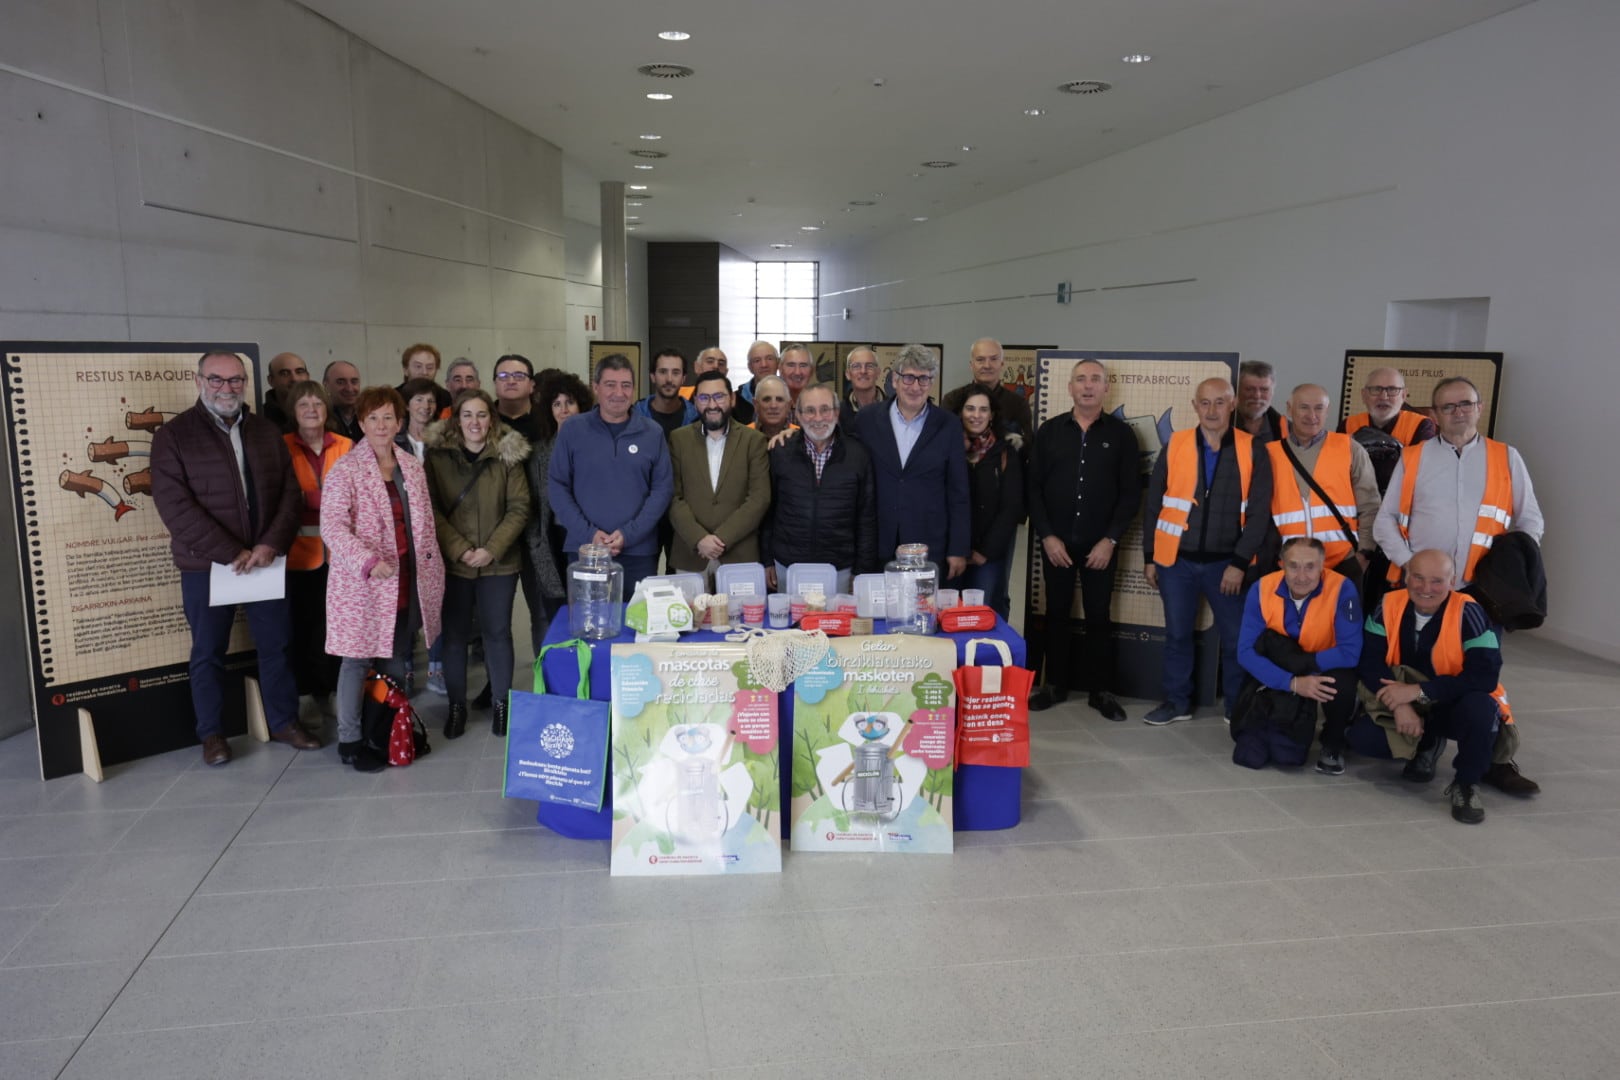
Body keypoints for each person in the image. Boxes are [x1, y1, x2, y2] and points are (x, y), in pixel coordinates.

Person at [150, 350, 321, 766]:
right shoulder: (173, 435)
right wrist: (231, 552)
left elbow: (288, 494)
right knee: (208, 651)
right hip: (206, 565)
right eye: (217, 380)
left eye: (235, 380)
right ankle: (212, 734)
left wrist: (268, 545)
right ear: (199, 382)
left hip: (265, 560)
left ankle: (283, 721)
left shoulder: (265, 431)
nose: (226, 388)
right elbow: (175, 506)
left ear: (245, 383)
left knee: (276, 646)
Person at [319, 386, 444, 772]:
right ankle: (350, 738)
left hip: (406, 577)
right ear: (360, 423)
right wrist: (368, 560)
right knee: (356, 662)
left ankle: (384, 729)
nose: (381, 424)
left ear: (399, 422)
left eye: (388, 417)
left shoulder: (410, 465)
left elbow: (423, 523)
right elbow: (333, 528)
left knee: (393, 659)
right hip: (363, 582)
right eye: (372, 418)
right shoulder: (346, 469)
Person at [1353, 549, 1522, 823]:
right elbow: (1369, 662)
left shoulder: (1471, 612)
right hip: (1406, 701)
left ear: (1452, 581)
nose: (1426, 588)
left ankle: (1466, 784)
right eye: (1418, 578)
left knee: (1480, 708)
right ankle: (1425, 745)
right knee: (1363, 739)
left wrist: (1419, 692)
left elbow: (1485, 677)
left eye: (1436, 581)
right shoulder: (1388, 604)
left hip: (1451, 702)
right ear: (1405, 576)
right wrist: (1401, 704)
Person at [1141, 377, 1273, 725]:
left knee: (1235, 640)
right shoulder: (1176, 444)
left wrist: (1240, 563)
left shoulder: (1253, 448)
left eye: (1220, 402)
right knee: (1177, 635)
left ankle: (1235, 706)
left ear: (1233, 405)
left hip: (1227, 565)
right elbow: (1154, 504)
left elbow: (1260, 513)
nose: (1212, 410)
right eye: (1205, 402)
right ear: (1195, 405)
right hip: (1175, 562)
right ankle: (1176, 702)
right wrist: (1150, 556)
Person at [1026, 359, 1141, 719]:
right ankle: (1055, 684)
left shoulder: (1122, 436)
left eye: (1095, 380)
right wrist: (1047, 536)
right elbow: (1033, 488)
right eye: (1081, 379)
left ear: (1107, 388)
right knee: (1056, 613)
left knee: (1098, 617)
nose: (1088, 386)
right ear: (1070, 387)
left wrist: (1110, 539)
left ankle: (1100, 691)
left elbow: (1130, 494)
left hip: (1100, 546)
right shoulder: (1049, 431)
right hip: (1056, 542)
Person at [425, 389, 531, 739]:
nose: (475, 422)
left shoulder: (508, 456)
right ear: (456, 420)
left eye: (482, 415)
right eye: (467, 415)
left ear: (492, 419)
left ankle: (502, 703)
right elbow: (432, 509)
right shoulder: (437, 457)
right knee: (454, 636)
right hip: (454, 563)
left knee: (497, 633)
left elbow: (519, 508)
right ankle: (457, 705)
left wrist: (491, 549)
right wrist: (460, 549)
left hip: (499, 563)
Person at [1375, 376, 1544, 591]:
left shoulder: (1507, 457)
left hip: (1485, 585)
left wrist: (1514, 562)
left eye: (1466, 404)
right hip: (1423, 583)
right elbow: (1385, 520)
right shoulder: (1413, 457)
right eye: (1448, 407)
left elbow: (1530, 519)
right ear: (1434, 416)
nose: (1458, 412)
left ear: (1479, 408)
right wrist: (1408, 563)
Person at [1235, 538, 1362, 774]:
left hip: (1324, 662)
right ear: (1281, 564)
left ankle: (1332, 744)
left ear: (1323, 565)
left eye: (1310, 566)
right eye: (1293, 566)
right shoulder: (1261, 588)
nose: (1301, 575)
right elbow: (1245, 652)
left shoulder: (1344, 589)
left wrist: (1308, 667)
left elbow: (1351, 652)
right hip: (1281, 661)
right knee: (1254, 672)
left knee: (1341, 684)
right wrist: (1291, 682)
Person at [549, 354, 674, 590]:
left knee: (635, 622)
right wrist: (589, 535)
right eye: (610, 384)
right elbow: (557, 487)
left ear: (634, 389)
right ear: (595, 387)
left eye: (626, 385)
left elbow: (662, 489)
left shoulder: (652, 433)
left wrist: (629, 534)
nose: (619, 393)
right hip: (584, 551)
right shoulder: (573, 430)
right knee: (589, 623)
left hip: (638, 552)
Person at [850, 343, 970, 583]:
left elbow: (959, 492)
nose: (915, 386)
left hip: (928, 543)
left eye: (923, 379)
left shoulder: (948, 425)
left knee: (923, 616)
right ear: (894, 379)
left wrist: (958, 548)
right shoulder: (867, 419)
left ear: (932, 382)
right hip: (877, 541)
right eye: (908, 378)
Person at [1263, 383, 1381, 592]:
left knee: (1343, 624)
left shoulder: (1350, 448)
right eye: (1304, 407)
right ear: (1289, 409)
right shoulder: (1269, 454)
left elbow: (1371, 505)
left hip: (1344, 563)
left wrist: (1363, 555)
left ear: (1327, 411)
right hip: (1290, 567)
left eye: (1319, 408)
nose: (1312, 415)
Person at [762, 383, 879, 589]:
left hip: (840, 569)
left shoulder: (858, 455)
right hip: (787, 566)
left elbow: (866, 518)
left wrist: (862, 571)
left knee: (835, 622)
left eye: (825, 409)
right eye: (809, 411)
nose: (818, 418)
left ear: (836, 412)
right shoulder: (780, 452)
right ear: (797, 415)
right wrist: (767, 560)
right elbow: (767, 512)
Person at [283, 382, 352, 714]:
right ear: (293, 411)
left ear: (327, 409)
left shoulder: (347, 446)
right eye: (303, 404)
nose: (311, 409)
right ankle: (306, 693)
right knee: (303, 627)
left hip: (341, 558)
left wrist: (309, 500)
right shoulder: (280, 447)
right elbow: (280, 501)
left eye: (317, 404)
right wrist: (318, 501)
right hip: (298, 558)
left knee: (338, 626)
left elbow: (357, 497)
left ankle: (339, 689)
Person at [667, 370, 771, 574]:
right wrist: (699, 539)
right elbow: (672, 497)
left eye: (719, 396)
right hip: (691, 553)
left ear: (732, 399)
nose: (712, 405)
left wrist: (721, 539)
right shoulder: (679, 440)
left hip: (739, 553)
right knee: (691, 607)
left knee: (740, 608)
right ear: (696, 401)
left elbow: (759, 498)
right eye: (704, 398)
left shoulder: (754, 440)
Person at [524, 370, 592, 632]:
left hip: (588, 538)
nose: (564, 410)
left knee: (589, 608)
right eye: (557, 404)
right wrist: (536, 543)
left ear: (582, 406)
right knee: (556, 615)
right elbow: (533, 506)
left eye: (570, 402)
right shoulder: (539, 452)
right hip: (552, 539)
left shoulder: (595, 447)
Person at [947, 388, 1024, 619]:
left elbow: (1011, 507)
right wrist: (955, 548)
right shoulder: (946, 450)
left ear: (992, 415)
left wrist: (985, 551)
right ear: (960, 413)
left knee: (983, 616)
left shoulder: (1006, 452)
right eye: (970, 408)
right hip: (951, 552)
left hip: (987, 555)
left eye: (983, 409)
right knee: (949, 617)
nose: (976, 415)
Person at [1337, 366, 1437, 492]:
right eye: (1376, 389)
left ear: (1404, 395)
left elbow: (1424, 471)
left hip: (1402, 502)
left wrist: (1396, 450)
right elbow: (1337, 471)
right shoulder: (1348, 425)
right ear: (1364, 395)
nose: (1383, 396)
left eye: (1392, 390)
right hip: (1358, 500)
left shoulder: (1421, 425)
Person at [943, 337, 1034, 440]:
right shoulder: (952, 400)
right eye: (980, 360)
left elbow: (1026, 447)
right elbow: (943, 441)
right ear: (971, 365)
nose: (987, 365)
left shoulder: (1018, 404)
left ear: (1002, 364)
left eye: (993, 359)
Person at [635, 347, 698, 435]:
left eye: (675, 373)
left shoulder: (697, 418)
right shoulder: (634, 416)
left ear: (683, 378)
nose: (669, 379)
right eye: (663, 372)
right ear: (653, 376)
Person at [1234, 360, 1287, 442]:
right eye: (1249, 389)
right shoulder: (1218, 428)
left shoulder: (1289, 431)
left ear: (1272, 392)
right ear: (1236, 390)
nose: (1257, 396)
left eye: (1264, 390)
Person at [492, 354, 540, 442]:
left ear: (532, 385)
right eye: (503, 376)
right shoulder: (484, 419)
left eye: (519, 376)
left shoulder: (547, 420)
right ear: (495, 384)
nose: (511, 382)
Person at [395, 342, 452, 414]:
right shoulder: (394, 397)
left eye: (429, 367)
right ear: (406, 370)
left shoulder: (444, 397)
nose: (424, 372)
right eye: (418, 366)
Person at [732, 340, 779, 425]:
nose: (764, 364)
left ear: (778, 363)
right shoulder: (736, 400)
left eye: (769, 358)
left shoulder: (791, 394)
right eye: (757, 360)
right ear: (750, 367)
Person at [262, 351, 308, 431]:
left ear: (308, 376)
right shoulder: (259, 418)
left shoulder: (322, 414)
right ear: (271, 380)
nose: (294, 379)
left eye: (299, 372)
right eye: (285, 373)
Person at [396, 377, 439, 461]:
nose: (426, 406)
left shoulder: (443, 440)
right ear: (407, 405)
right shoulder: (395, 440)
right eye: (419, 400)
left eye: (431, 401)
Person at [748, 375, 798, 441]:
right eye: (767, 399)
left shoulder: (800, 436)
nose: (773, 406)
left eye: (779, 399)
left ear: (788, 406)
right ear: (756, 405)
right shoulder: (743, 435)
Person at [323, 361, 364, 441]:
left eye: (354, 382)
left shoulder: (370, 416)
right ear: (326, 385)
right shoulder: (320, 420)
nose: (349, 388)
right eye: (341, 382)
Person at [842, 346, 887, 414]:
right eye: (856, 366)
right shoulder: (838, 413)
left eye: (869, 366)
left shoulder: (894, 409)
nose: (863, 371)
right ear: (848, 374)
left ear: (878, 372)